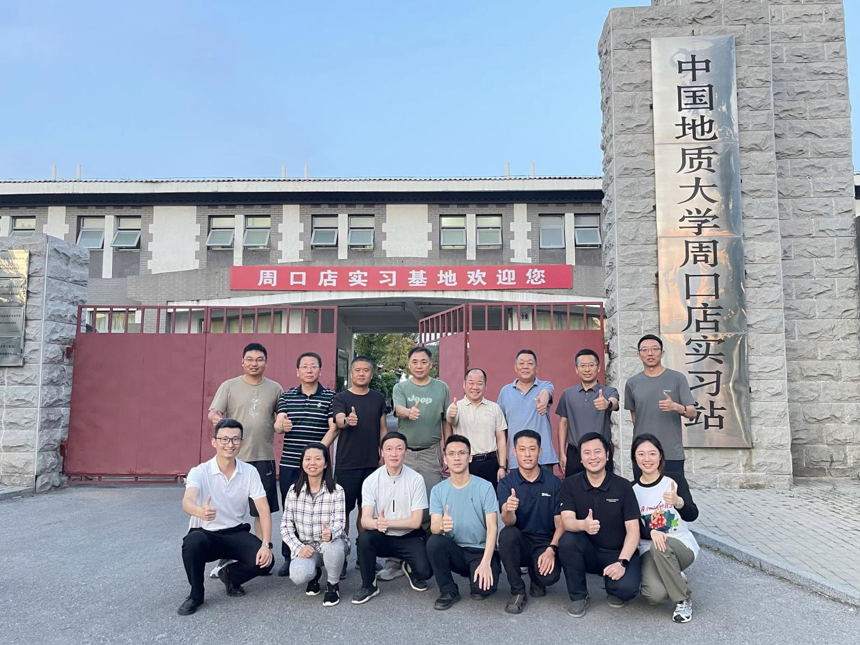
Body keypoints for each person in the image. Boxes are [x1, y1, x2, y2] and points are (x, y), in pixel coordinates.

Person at [178, 419, 274, 615]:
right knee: (192, 543)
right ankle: (196, 595)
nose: (230, 444)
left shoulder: (249, 472)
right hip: (206, 533)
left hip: (235, 533)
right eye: (224, 439)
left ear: (241, 442)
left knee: (266, 562)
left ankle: (230, 575)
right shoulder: (200, 471)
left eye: (235, 439)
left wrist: (266, 544)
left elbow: (263, 508)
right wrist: (200, 511)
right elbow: (187, 501)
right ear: (214, 441)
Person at [207, 343, 282, 569]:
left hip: (263, 456)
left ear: (266, 363)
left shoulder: (275, 389)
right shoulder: (229, 386)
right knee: (228, 510)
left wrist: (282, 424)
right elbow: (213, 411)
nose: (254, 363)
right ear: (242, 362)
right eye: (249, 359)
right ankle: (226, 553)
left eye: (259, 359)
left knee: (261, 510)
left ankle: (260, 555)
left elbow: (281, 418)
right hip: (232, 458)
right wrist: (214, 417)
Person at [557, 432, 641, 618]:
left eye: (597, 451)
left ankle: (613, 585)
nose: (593, 457)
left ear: (607, 455)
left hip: (616, 552)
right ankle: (579, 596)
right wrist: (583, 525)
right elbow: (567, 521)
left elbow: (633, 529)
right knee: (568, 540)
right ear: (580, 458)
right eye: (587, 453)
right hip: (588, 552)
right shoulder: (570, 484)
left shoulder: (623, 486)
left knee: (626, 590)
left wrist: (622, 562)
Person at [386, 346, 451, 580]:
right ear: (409, 364)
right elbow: (398, 409)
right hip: (405, 453)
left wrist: (447, 449)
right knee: (399, 503)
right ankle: (395, 561)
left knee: (430, 504)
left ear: (431, 364)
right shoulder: (401, 387)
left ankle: (426, 556)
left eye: (424, 361)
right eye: (415, 362)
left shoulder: (442, 388)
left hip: (431, 452)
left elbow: (446, 421)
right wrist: (408, 413)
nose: (419, 366)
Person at [274, 351, 337, 576]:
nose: (309, 370)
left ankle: (325, 555)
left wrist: (316, 453)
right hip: (291, 461)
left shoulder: (330, 396)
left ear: (320, 370)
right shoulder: (287, 396)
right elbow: (278, 424)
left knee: (322, 509)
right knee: (290, 510)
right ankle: (289, 555)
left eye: (313, 366)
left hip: (319, 464)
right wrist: (281, 426)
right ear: (297, 371)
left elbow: (333, 428)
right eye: (304, 366)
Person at [351, 432, 433, 605]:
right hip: (382, 536)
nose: (394, 454)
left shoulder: (416, 479)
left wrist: (386, 522)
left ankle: (409, 566)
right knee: (364, 539)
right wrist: (376, 523)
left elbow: (416, 522)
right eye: (389, 449)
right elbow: (365, 520)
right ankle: (368, 585)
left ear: (406, 452)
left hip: (409, 536)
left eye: (399, 449)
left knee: (425, 572)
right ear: (382, 452)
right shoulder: (371, 481)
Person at [426, 435, 501, 610]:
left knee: (482, 590)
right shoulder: (438, 490)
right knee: (434, 541)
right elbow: (434, 527)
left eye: (461, 453)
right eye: (451, 454)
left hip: (480, 550)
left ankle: (481, 570)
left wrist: (485, 562)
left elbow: (493, 527)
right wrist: (441, 526)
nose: (457, 458)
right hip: (455, 550)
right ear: (445, 459)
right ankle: (448, 590)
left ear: (470, 457)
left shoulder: (485, 487)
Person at [632, 434, 700, 623]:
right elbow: (634, 526)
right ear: (635, 457)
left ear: (660, 456)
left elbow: (692, 515)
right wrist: (651, 532)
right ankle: (673, 575)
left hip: (679, 545)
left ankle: (683, 600)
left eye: (652, 453)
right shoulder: (631, 490)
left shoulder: (674, 481)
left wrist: (679, 502)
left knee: (660, 544)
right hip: (648, 550)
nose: (647, 459)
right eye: (641, 454)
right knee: (655, 595)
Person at [330, 356, 388, 577]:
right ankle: (341, 556)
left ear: (371, 375)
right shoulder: (341, 397)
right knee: (342, 513)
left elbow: (383, 428)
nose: (361, 373)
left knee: (367, 512)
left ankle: (364, 557)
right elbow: (339, 419)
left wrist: (383, 453)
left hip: (372, 465)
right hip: (346, 465)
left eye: (366, 370)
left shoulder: (378, 398)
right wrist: (347, 421)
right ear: (351, 374)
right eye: (357, 370)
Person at [497, 429, 564, 614]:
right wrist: (508, 509)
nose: (527, 454)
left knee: (549, 577)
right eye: (522, 449)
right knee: (507, 535)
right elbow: (508, 522)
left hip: (544, 543)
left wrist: (551, 549)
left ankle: (537, 577)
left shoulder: (554, 483)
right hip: (520, 542)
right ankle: (517, 590)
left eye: (532, 449)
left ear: (540, 451)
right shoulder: (506, 483)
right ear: (514, 452)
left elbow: (561, 523)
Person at [624, 335, 696, 487]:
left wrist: (676, 407)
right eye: (645, 350)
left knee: (672, 494)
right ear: (639, 354)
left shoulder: (677, 379)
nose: (650, 353)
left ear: (662, 353)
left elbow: (692, 412)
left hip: (670, 452)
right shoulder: (632, 383)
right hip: (643, 453)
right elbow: (634, 415)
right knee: (643, 494)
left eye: (655, 349)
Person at [281, 442, 347, 607]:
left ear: (325, 464)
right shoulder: (293, 491)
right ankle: (315, 574)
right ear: (302, 463)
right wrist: (298, 548)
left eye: (318, 459)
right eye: (308, 459)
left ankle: (332, 585)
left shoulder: (337, 490)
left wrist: (331, 533)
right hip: (307, 547)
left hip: (330, 543)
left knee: (333, 546)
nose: (312, 463)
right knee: (298, 574)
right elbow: (286, 526)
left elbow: (340, 523)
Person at [555, 348, 619, 477]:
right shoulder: (568, 394)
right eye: (583, 366)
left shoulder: (608, 391)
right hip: (575, 452)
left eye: (591, 365)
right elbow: (563, 424)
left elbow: (615, 402)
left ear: (598, 368)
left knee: (604, 487)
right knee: (574, 487)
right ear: (576, 369)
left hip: (601, 452)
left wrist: (607, 404)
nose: (587, 369)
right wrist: (562, 453)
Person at [496, 349, 558, 472]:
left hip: (543, 459)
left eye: (530, 363)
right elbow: (500, 429)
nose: (525, 366)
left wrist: (543, 401)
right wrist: (502, 463)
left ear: (536, 368)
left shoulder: (545, 386)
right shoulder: (505, 391)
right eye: (521, 363)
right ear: (515, 367)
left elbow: (546, 393)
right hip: (517, 460)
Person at [446, 367, 508, 484]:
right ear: (464, 384)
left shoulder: (494, 408)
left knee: (490, 495)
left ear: (486, 386)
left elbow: (501, 438)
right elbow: (451, 421)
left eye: (479, 383)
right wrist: (451, 415)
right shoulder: (456, 407)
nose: (475, 387)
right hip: (465, 463)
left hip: (490, 463)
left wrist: (502, 466)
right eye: (471, 383)